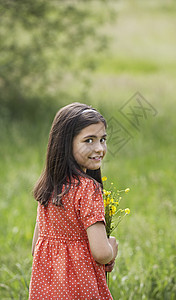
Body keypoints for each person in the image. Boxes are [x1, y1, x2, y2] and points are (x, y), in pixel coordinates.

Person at [29, 102, 118, 300]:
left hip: (47, 289)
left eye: (103, 139)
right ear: (65, 144)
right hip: (81, 288)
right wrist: (112, 247)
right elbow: (101, 253)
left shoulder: (48, 186)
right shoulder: (88, 189)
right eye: (89, 140)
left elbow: (36, 246)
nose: (99, 148)